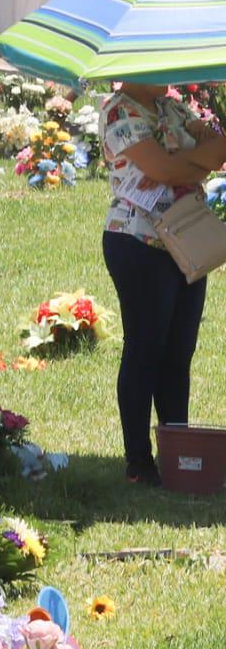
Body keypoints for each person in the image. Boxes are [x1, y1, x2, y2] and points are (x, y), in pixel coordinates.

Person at [100, 83, 226, 485]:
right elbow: (162, 169)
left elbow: (217, 149)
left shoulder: (171, 108)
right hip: (138, 242)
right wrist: (196, 163)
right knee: (145, 348)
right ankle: (138, 461)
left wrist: (187, 163)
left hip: (187, 240)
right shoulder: (120, 112)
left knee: (179, 353)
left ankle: (179, 452)